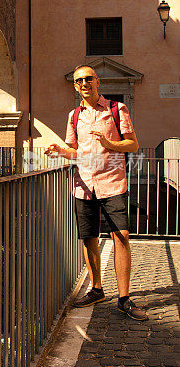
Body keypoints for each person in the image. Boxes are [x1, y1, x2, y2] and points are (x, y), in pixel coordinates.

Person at [45, 65, 147, 321]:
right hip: (83, 184)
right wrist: (60, 150)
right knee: (89, 237)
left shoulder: (116, 109)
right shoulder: (73, 115)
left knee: (121, 236)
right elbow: (74, 150)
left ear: (97, 81)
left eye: (88, 78)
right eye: (79, 80)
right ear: (75, 85)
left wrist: (109, 143)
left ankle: (124, 298)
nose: (84, 83)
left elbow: (133, 144)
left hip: (112, 182)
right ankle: (97, 288)